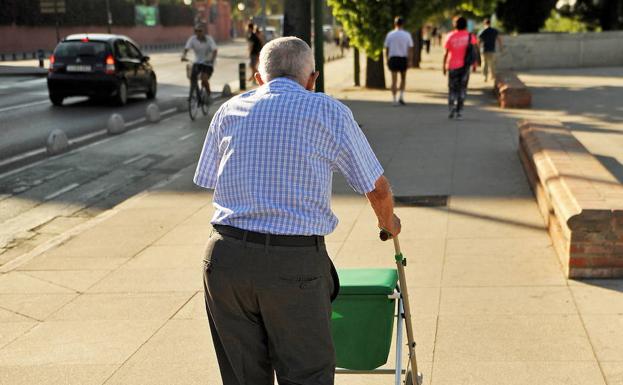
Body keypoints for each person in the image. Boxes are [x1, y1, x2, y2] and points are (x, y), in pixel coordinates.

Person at [194, 36, 401, 385]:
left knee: (243, 376)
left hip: (225, 259)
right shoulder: (327, 110)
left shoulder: (230, 110)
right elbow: (376, 187)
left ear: (259, 78)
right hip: (294, 264)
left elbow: (210, 179)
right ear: (312, 79)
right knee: (307, 374)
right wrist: (388, 222)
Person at [443, 16, 478, 120]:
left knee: (452, 88)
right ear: (466, 25)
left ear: (455, 24)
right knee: (462, 89)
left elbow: (446, 52)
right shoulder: (470, 36)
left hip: (452, 66)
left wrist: (444, 65)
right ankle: (459, 112)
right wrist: (475, 65)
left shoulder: (450, 36)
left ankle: (451, 108)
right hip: (465, 67)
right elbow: (474, 52)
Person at [384, 16, 414, 106]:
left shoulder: (390, 34)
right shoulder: (407, 35)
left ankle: (394, 99)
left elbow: (387, 48)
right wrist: (410, 60)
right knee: (403, 78)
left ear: (395, 24)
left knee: (394, 80)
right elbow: (410, 48)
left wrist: (387, 59)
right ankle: (401, 96)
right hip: (403, 58)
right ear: (403, 24)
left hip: (393, 58)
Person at [181, 24, 218, 95]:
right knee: (192, 77)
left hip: (208, 63)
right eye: (196, 31)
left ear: (204, 31)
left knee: (204, 79)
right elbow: (186, 49)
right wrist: (183, 56)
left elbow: (215, 50)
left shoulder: (209, 39)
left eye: (200, 31)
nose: (198, 33)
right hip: (197, 62)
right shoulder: (192, 39)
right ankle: (193, 94)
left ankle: (208, 94)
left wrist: (212, 59)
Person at [478, 18, 503, 82]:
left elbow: (479, 41)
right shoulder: (494, 31)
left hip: (484, 49)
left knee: (484, 63)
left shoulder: (482, 31)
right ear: (490, 23)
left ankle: (485, 77)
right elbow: (499, 39)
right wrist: (501, 47)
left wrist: (478, 48)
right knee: (492, 64)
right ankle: (492, 76)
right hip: (492, 49)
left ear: (484, 24)